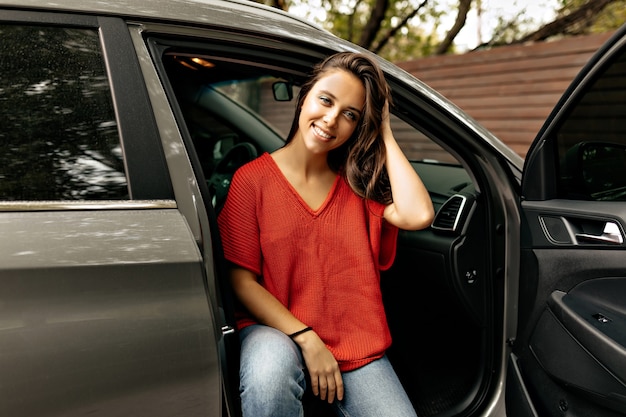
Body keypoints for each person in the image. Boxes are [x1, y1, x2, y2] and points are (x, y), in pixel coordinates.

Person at [217, 51, 434, 417]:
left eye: (350, 114)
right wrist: (306, 337)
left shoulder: (358, 186)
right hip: (275, 333)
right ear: (304, 97)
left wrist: (384, 131)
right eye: (326, 100)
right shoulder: (250, 180)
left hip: (354, 346)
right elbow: (241, 281)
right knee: (268, 376)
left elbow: (419, 214)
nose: (332, 120)